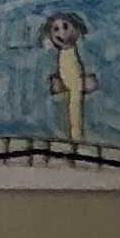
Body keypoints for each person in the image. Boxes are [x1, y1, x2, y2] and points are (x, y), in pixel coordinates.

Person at [41, 9, 95, 145]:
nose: (62, 33)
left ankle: (76, 136)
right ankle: (75, 136)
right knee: (73, 105)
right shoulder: (57, 55)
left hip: (75, 85)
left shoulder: (80, 52)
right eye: (56, 29)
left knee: (75, 104)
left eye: (65, 27)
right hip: (69, 85)